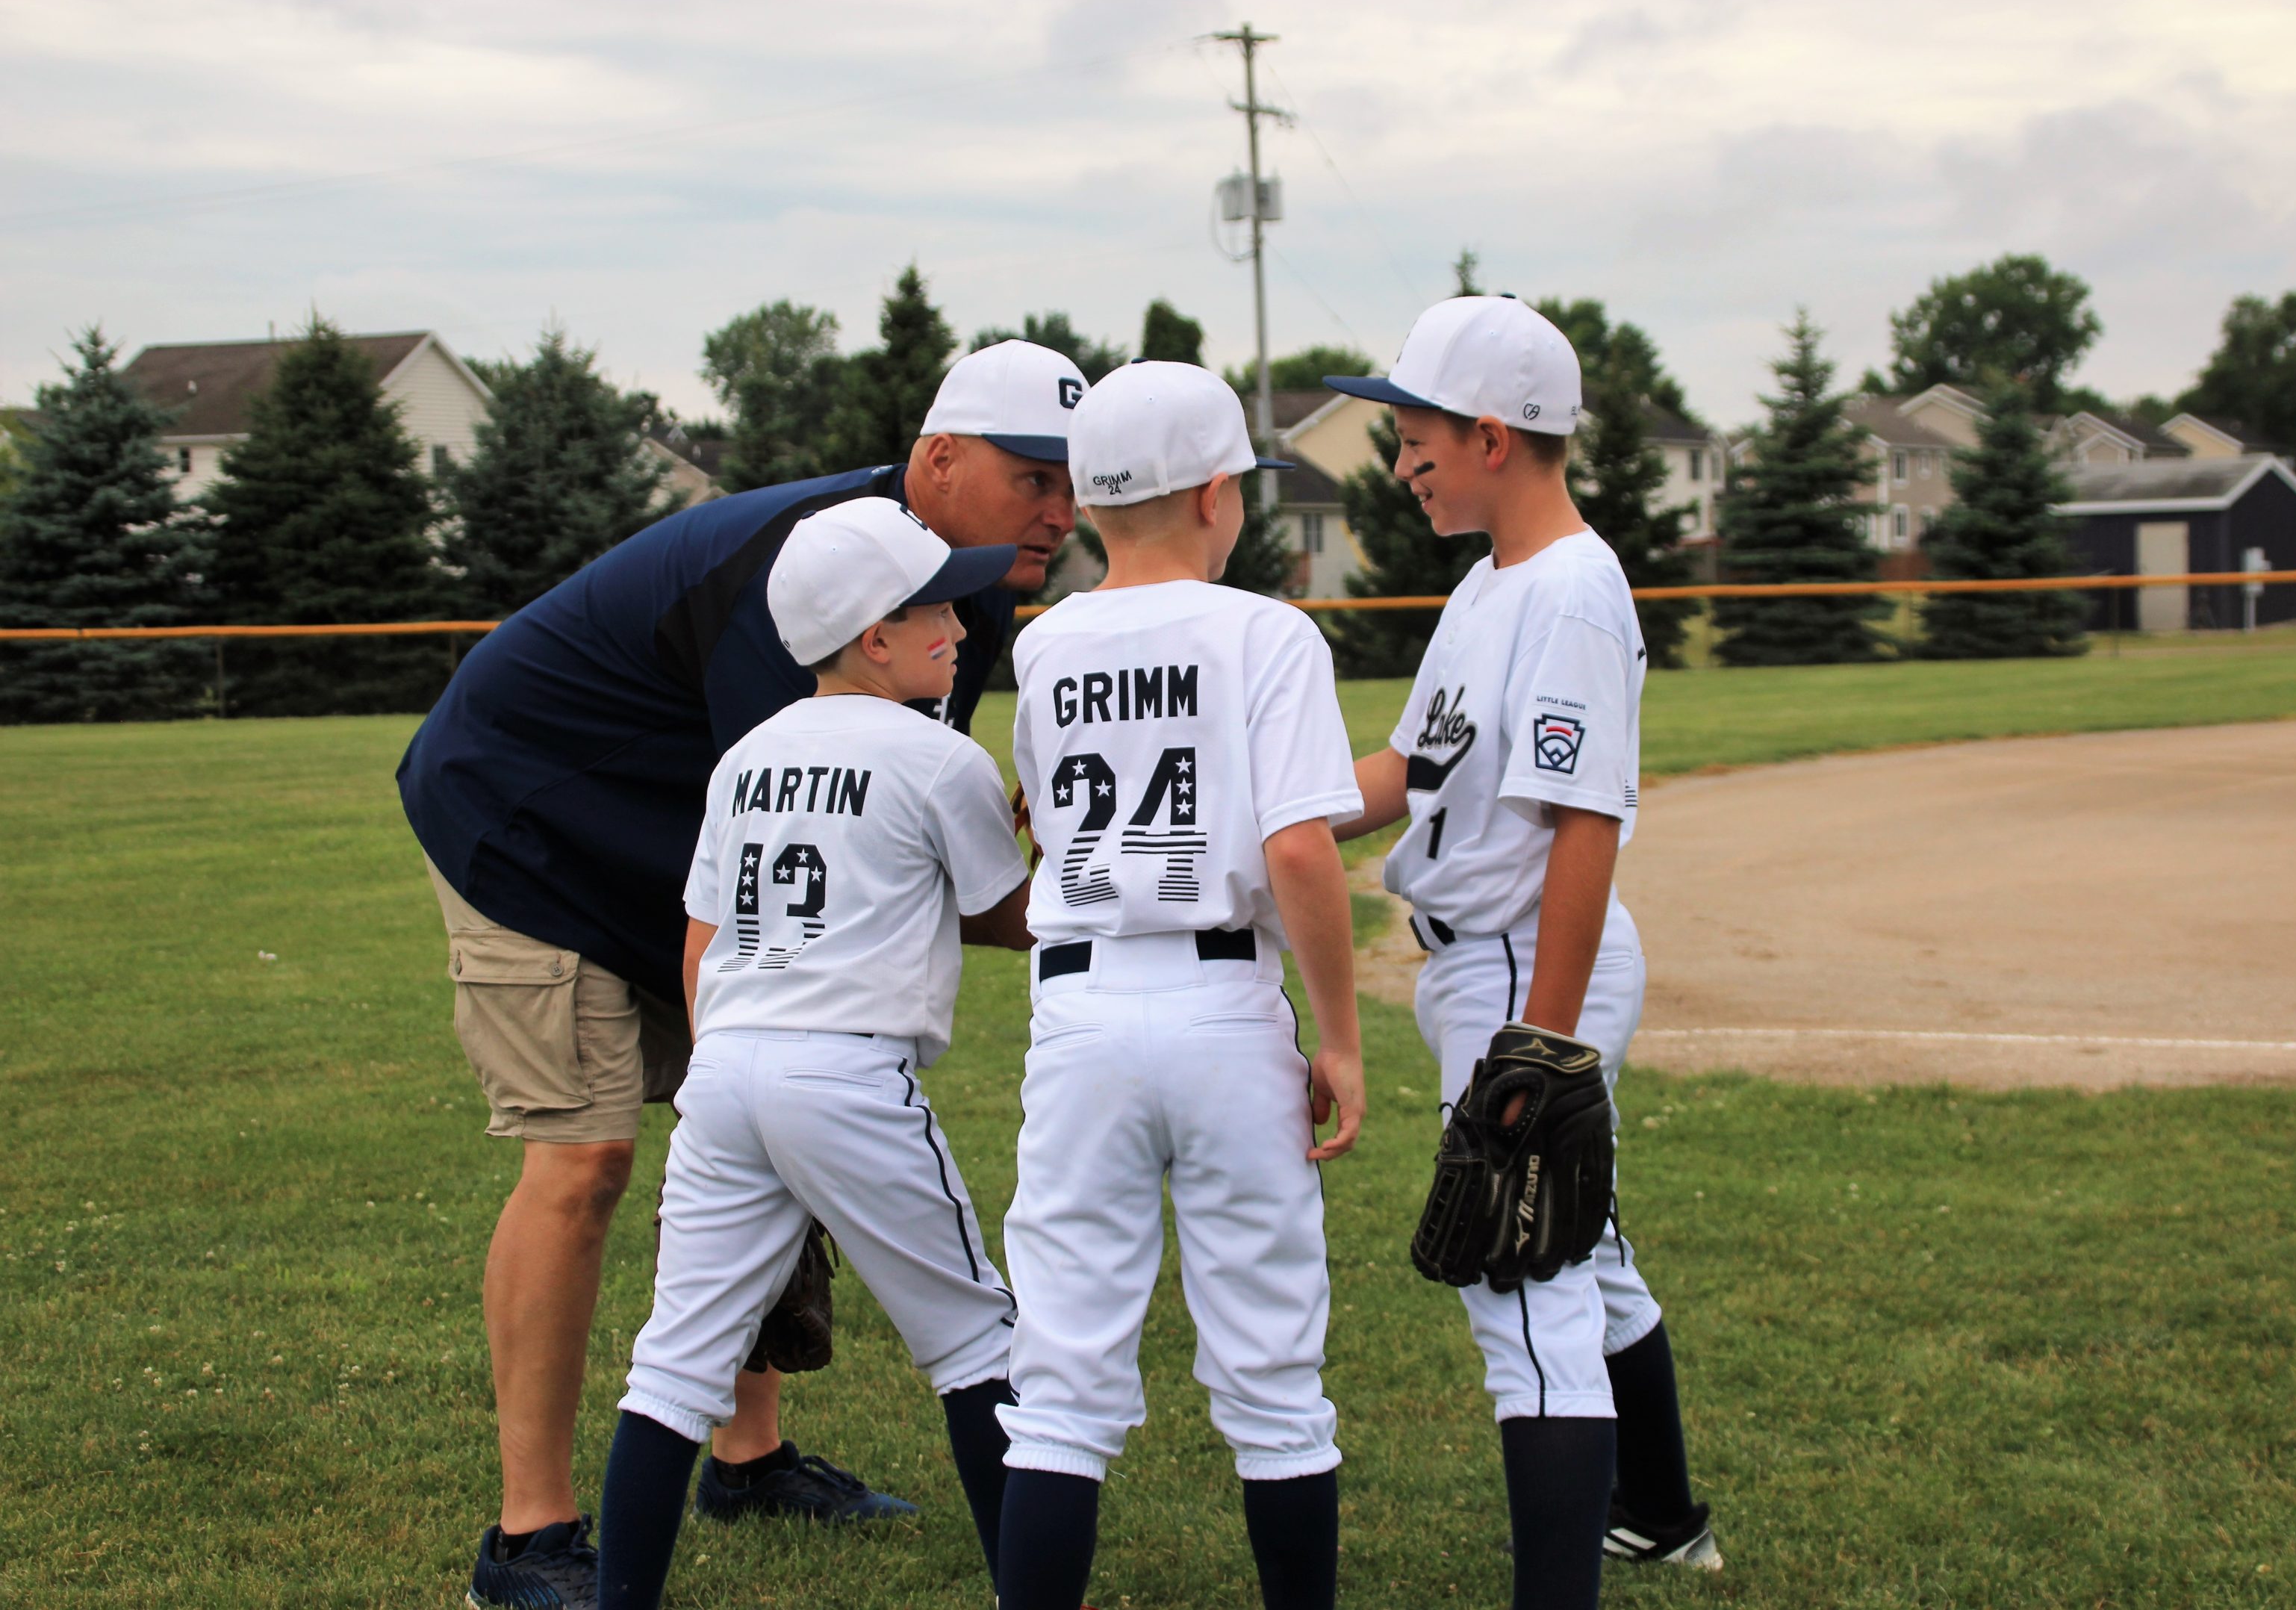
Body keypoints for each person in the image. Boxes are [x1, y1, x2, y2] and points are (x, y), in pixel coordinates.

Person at [394, 340, 1086, 1608]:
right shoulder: (814, 570)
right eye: (1034, 476)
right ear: (937, 460)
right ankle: (531, 1536)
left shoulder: (953, 586)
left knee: (755, 1115)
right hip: (528, 815)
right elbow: (870, 848)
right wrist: (1141, 906)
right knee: (585, 1152)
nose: (1062, 509)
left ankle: (746, 1455)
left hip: (698, 853)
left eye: (1077, 481)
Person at [1325, 298, 1720, 1609]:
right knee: (1584, 1254)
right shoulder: (1491, 583)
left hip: (1521, 963)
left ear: (1491, 434)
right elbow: (1401, 772)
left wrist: (1541, 1047)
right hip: (1485, 960)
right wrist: (1254, 809)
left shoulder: (1570, 595)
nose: (1403, 463)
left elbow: (1587, 824)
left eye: (1416, 434)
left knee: (1524, 1286)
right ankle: (1659, 1521)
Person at [595, 496, 1036, 1609]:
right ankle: (1040, 1592)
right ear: (869, 638)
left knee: (673, 1363)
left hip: (728, 1063)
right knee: (978, 1341)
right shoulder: (935, 756)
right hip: (844, 1073)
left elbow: (703, 935)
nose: (960, 624)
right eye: (932, 607)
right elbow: (1011, 914)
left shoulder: (747, 754)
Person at [992, 360, 1368, 1610]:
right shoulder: (1267, 632)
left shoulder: (1045, 646)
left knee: (1061, 1379)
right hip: (1220, 1005)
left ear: (1094, 505)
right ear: (1219, 496)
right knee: (1271, 1371)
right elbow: (1299, 845)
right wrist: (1343, 1038)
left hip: (1082, 1008)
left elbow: (1051, 821)